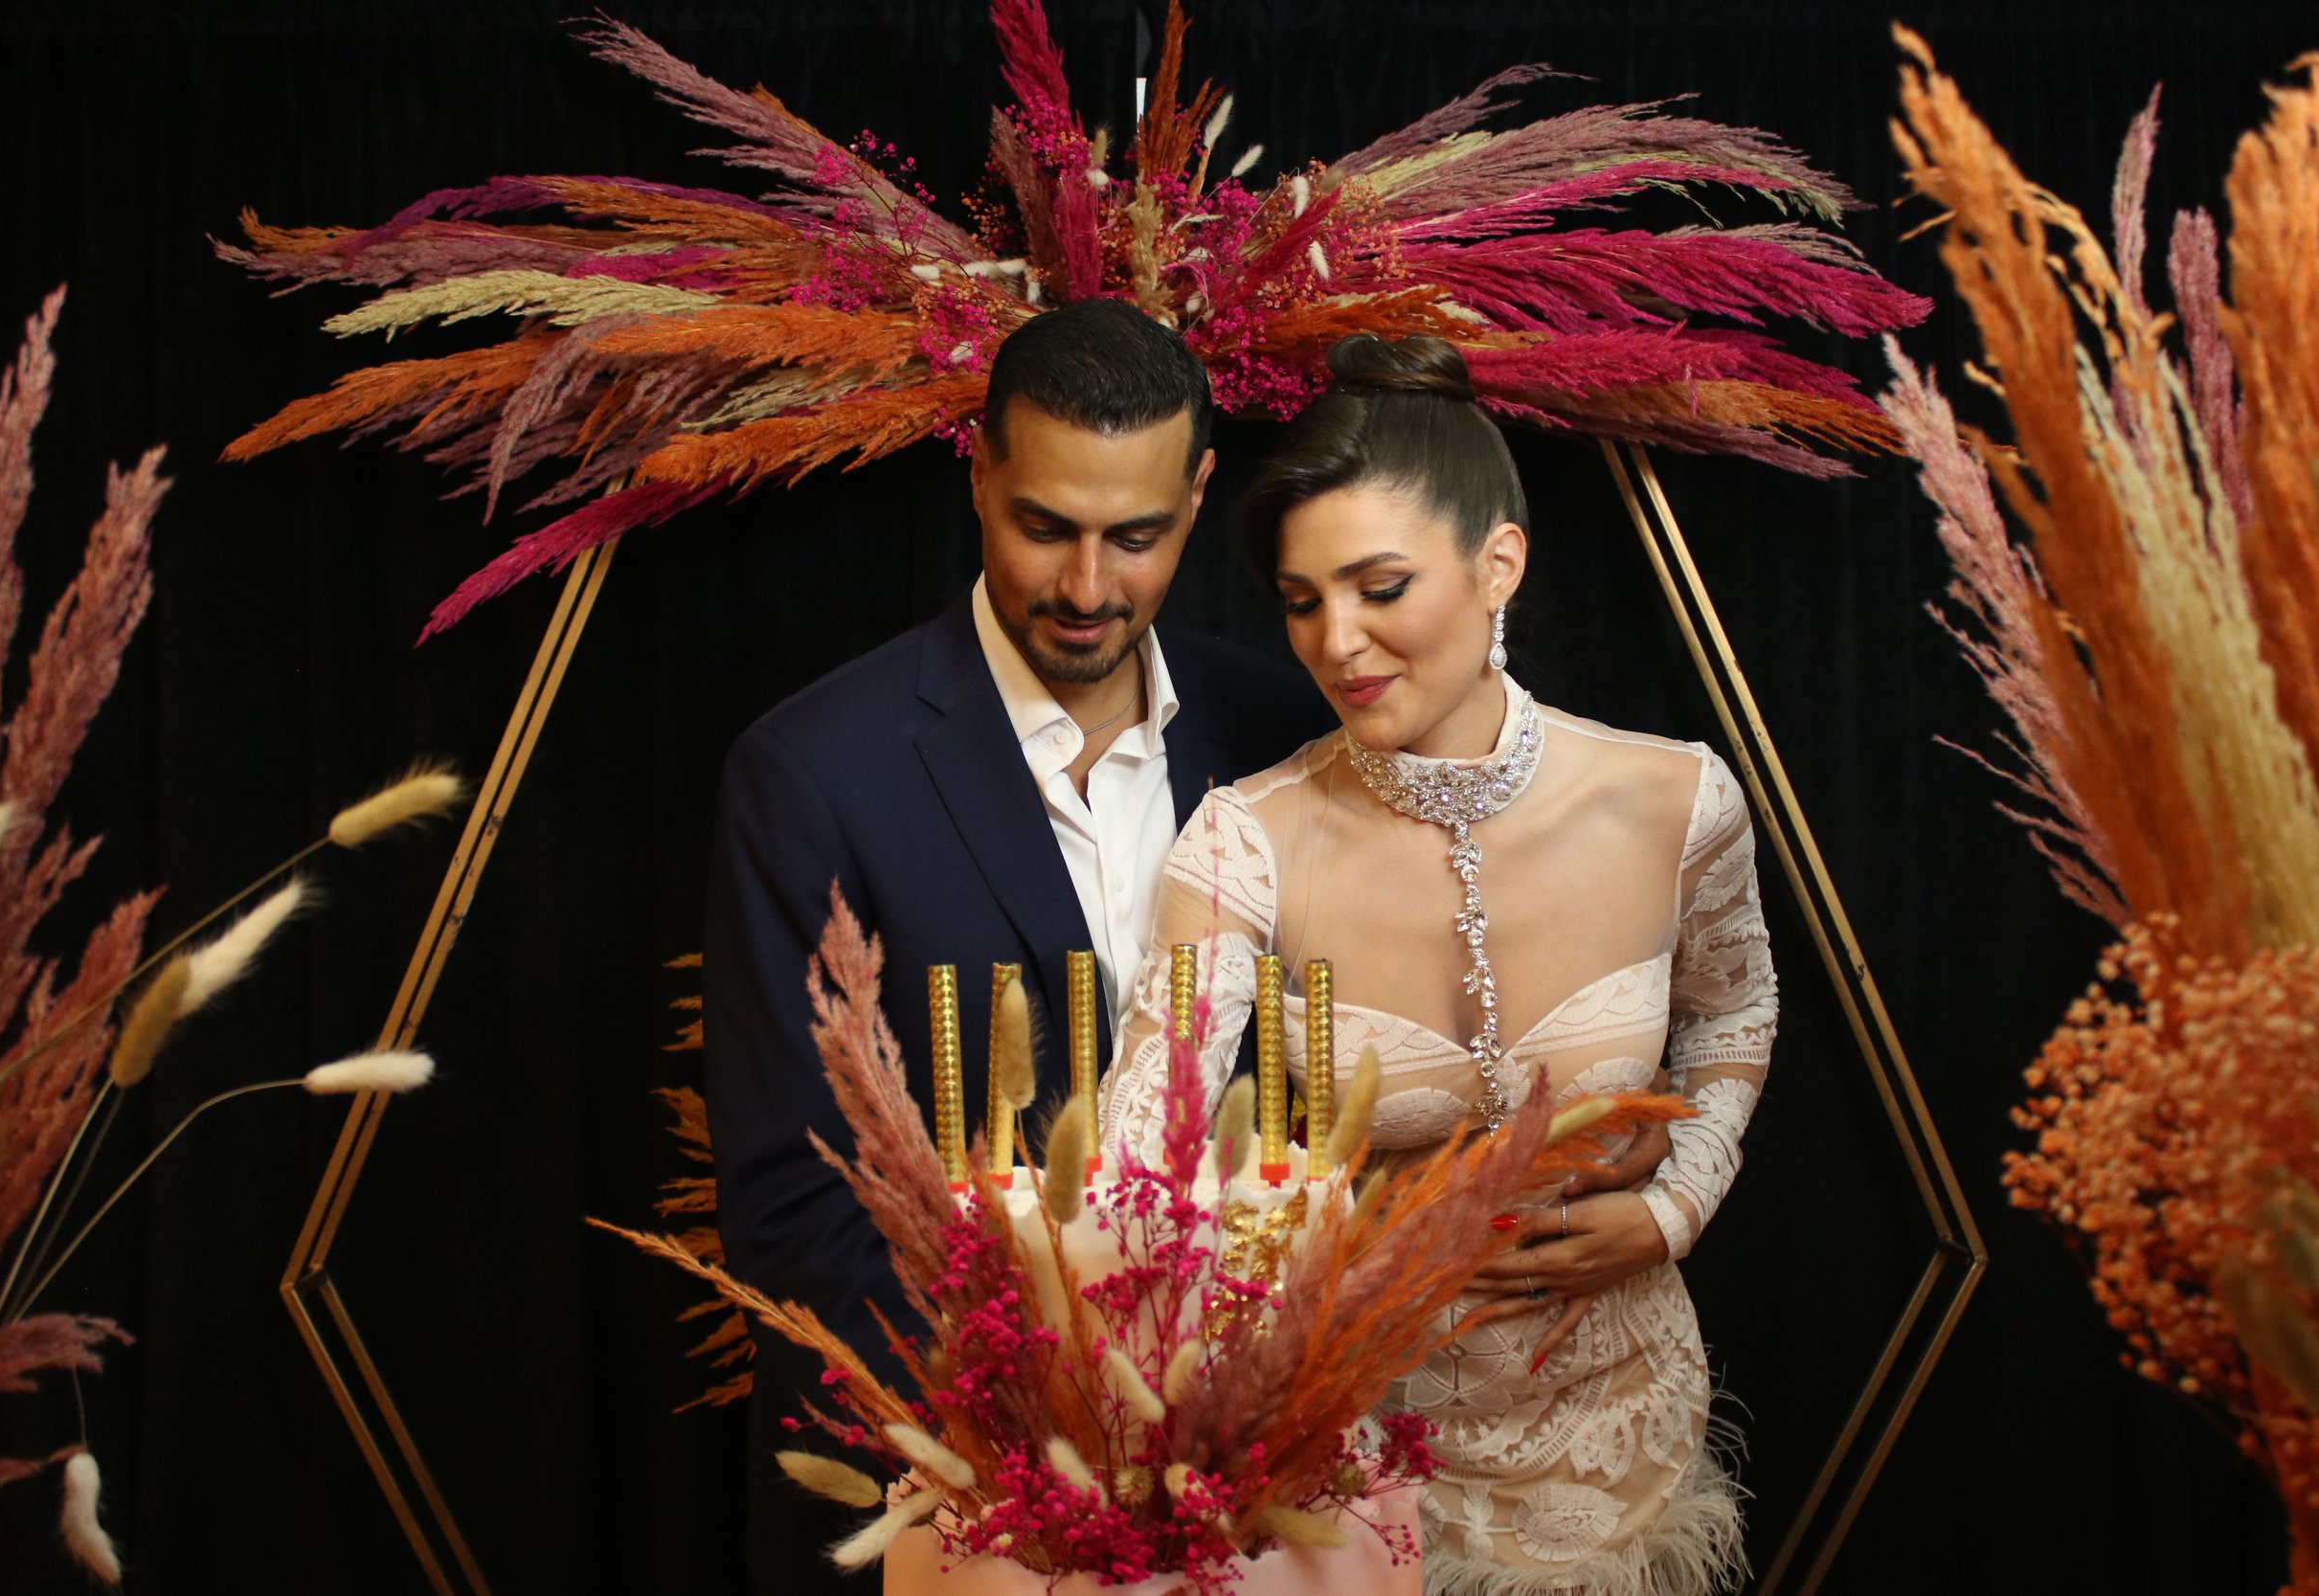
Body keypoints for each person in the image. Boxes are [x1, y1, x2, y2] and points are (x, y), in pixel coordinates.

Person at [1099, 333, 1777, 1596]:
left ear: (1497, 562)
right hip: (1350, 1475)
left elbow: (1735, 1011)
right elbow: (1150, 1147)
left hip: (1620, 1450)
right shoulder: (1244, 842)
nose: (1336, 640)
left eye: (1379, 585)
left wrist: (1677, 1204)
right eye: (1303, 600)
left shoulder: (1676, 797)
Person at [702, 300, 1331, 1591]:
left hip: (1256, 1500)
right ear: (978, 470)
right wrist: (1056, 1414)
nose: (1088, 587)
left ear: (1202, 494)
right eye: (1045, 525)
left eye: (1136, 536)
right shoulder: (811, 773)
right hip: (956, 1509)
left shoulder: (1286, 729)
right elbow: (788, 1206)